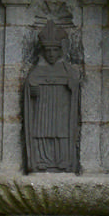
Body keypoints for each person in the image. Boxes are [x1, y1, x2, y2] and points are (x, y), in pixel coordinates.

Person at [22, 23, 81, 173]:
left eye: (55, 50)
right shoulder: (37, 70)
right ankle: (41, 159)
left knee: (61, 132)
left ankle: (63, 160)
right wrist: (33, 89)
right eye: (48, 50)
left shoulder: (66, 69)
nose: (51, 54)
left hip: (61, 107)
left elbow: (75, 86)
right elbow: (30, 88)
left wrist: (71, 85)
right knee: (41, 131)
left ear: (61, 51)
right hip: (43, 107)